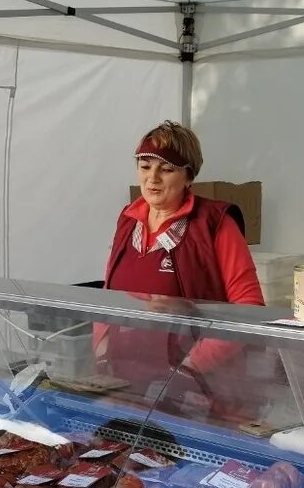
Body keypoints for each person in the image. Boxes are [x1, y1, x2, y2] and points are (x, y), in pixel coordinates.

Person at [99, 121, 264, 417]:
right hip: (129, 386)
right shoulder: (128, 218)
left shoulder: (214, 223)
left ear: (189, 175)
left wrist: (189, 370)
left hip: (200, 390)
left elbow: (248, 310)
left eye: (167, 169)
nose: (152, 179)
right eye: (145, 166)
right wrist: (101, 354)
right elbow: (109, 295)